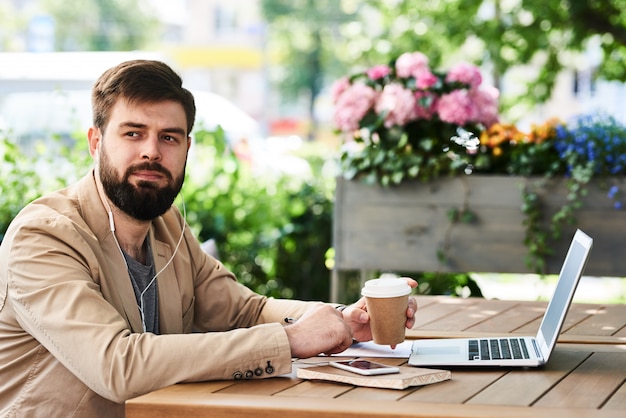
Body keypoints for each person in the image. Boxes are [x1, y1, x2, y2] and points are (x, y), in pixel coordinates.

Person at [0, 59, 418, 417]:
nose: (152, 151)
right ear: (96, 142)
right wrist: (290, 340)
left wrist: (342, 320)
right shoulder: (43, 237)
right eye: (133, 133)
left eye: (169, 137)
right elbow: (117, 364)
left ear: (186, 147)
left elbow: (244, 311)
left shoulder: (167, 225)